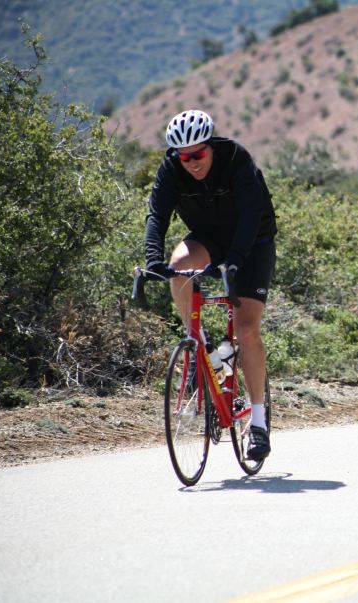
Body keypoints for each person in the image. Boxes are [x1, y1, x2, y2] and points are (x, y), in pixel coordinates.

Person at [144, 109, 278, 460]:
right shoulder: (172, 169)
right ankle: (200, 347)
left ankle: (260, 425)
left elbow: (251, 216)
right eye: (183, 156)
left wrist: (232, 262)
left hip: (253, 242)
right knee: (177, 266)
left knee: (247, 330)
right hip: (208, 239)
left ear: (210, 147)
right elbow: (157, 214)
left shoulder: (235, 158)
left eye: (198, 155)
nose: (191, 162)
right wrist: (151, 259)